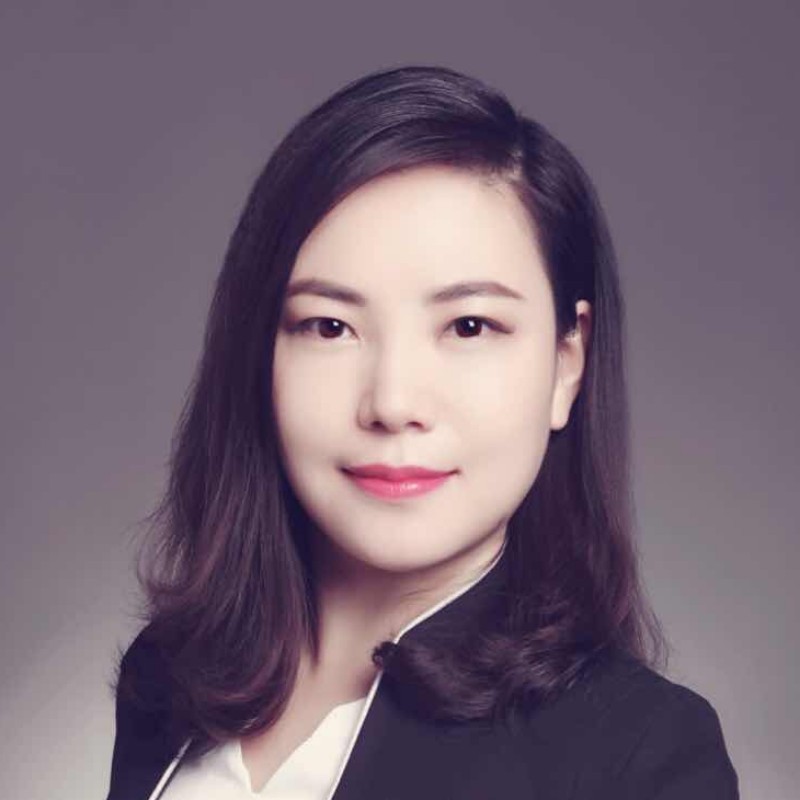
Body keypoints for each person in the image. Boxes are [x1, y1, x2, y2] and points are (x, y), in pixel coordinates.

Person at [105, 64, 739, 799]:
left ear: (567, 363)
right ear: (259, 350)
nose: (393, 401)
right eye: (330, 326)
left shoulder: (639, 754)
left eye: (469, 326)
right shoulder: (170, 677)